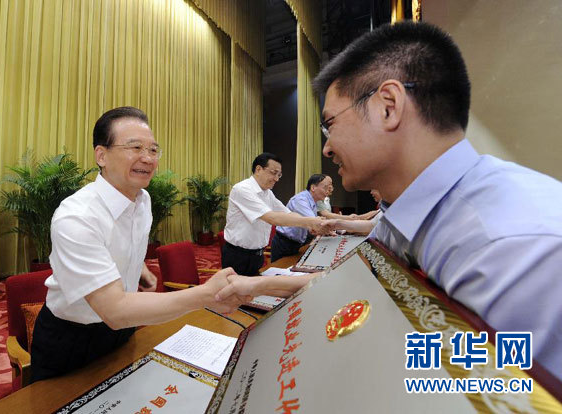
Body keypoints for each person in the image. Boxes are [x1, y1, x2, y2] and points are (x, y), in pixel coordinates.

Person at [313, 21, 562, 380]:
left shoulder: (514, 251)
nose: (327, 147)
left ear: (388, 106)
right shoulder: (404, 215)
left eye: (330, 124)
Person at [30, 107, 247, 382]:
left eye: (153, 150)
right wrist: (206, 295)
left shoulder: (143, 200)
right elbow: (114, 311)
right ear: (101, 155)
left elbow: (123, 244)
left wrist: (139, 268)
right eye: (135, 147)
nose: (147, 158)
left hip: (124, 329)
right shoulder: (77, 216)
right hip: (71, 339)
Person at [222, 153, 327, 275]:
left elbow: (288, 214)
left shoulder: (267, 193)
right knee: (235, 287)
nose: (276, 179)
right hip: (238, 255)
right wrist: (311, 222)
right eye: (273, 173)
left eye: (279, 175)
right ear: (258, 169)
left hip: (257, 254)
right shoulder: (242, 189)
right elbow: (272, 218)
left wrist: (309, 225)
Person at [271, 174, 330, 262]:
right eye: (325, 188)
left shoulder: (313, 201)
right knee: (279, 268)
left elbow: (312, 225)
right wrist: (333, 228)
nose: (327, 191)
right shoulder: (301, 200)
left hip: (297, 243)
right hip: (285, 243)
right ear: (313, 187)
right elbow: (314, 222)